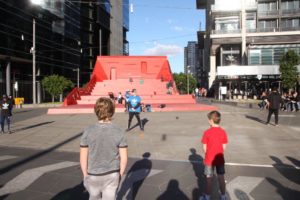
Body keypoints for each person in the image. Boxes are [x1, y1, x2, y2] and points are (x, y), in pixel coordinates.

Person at [80, 97, 128, 200]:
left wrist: (85, 175)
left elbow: (83, 158)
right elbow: (123, 159)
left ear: (96, 110)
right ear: (112, 111)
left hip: (93, 174)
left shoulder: (88, 131)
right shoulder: (119, 131)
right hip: (112, 174)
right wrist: (119, 175)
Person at [199, 111, 228, 200]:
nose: (208, 121)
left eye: (208, 119)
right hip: (219, 159)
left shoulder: (207, 132)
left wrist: (208, 154)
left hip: (209, 160)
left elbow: (204, 148)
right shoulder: (223, 132)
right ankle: (223, 196)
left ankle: (207, 197)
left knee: (209, 179)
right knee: (221, 178)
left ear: (211, 120)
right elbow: (224, 147)